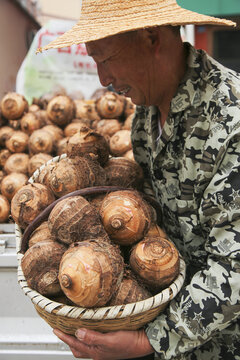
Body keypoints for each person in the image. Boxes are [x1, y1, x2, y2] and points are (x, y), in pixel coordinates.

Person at [41, 1, 240, 359]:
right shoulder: (145, 118)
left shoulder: (231, 122)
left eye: (104, 59)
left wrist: (148, 342)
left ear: (151, 37)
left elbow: (235, 268)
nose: (103, 80)